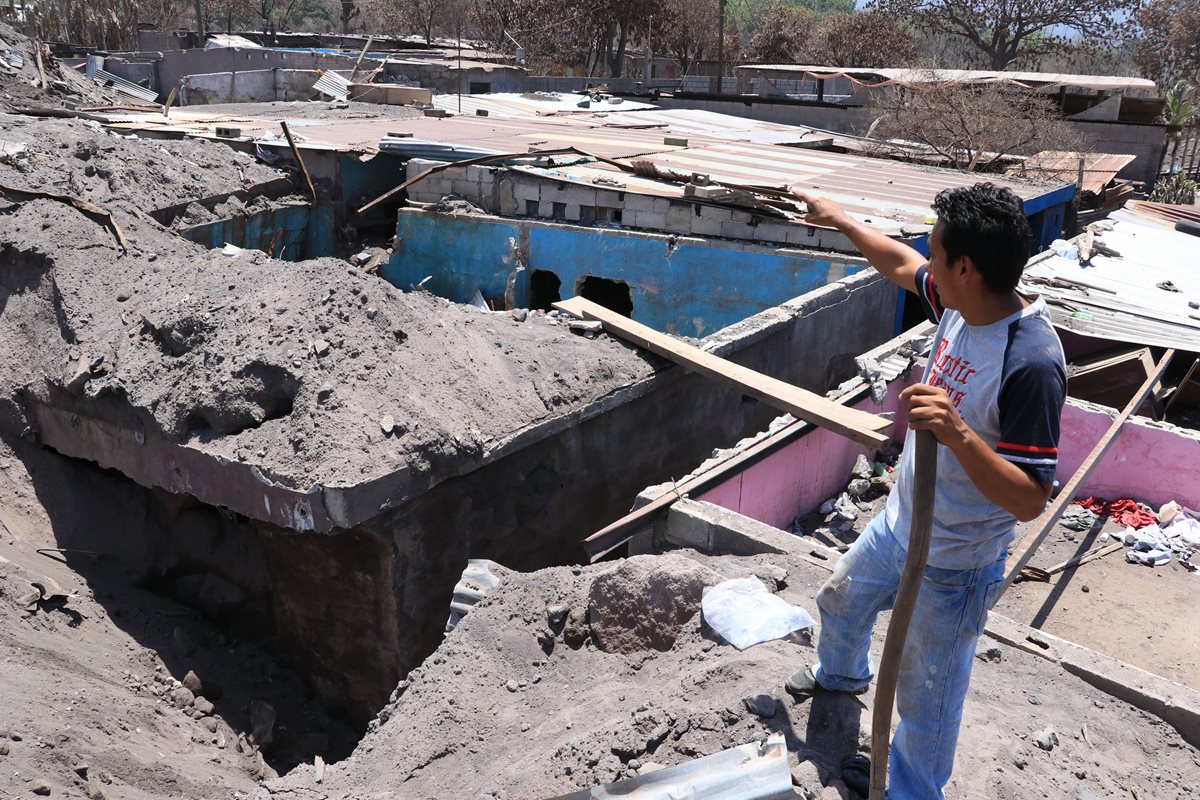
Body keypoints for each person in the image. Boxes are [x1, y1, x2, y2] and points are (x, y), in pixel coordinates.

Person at [784, 183, 1067, 799]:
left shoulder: (1031, 360)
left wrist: (958, 431)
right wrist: (840, 218)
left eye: (936, 253)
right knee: (841, 598)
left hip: (957, 562)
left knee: (927, 694)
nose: (927, 262)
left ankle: (910, 791)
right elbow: (897, 263)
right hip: (902, 524)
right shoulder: (962, 304)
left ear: (966, 267)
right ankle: (840, 678)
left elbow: (1027, 498)